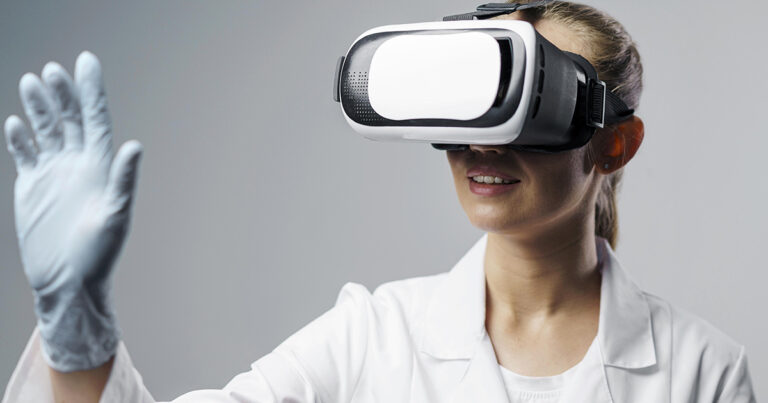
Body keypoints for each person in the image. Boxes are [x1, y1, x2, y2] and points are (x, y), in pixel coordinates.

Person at [1, 1, 757, 402]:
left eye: (529, 106)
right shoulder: (372, 336)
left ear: (614, 145)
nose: (484, 146)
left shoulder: (702, 373)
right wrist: (77, 328)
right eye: (472, 104)